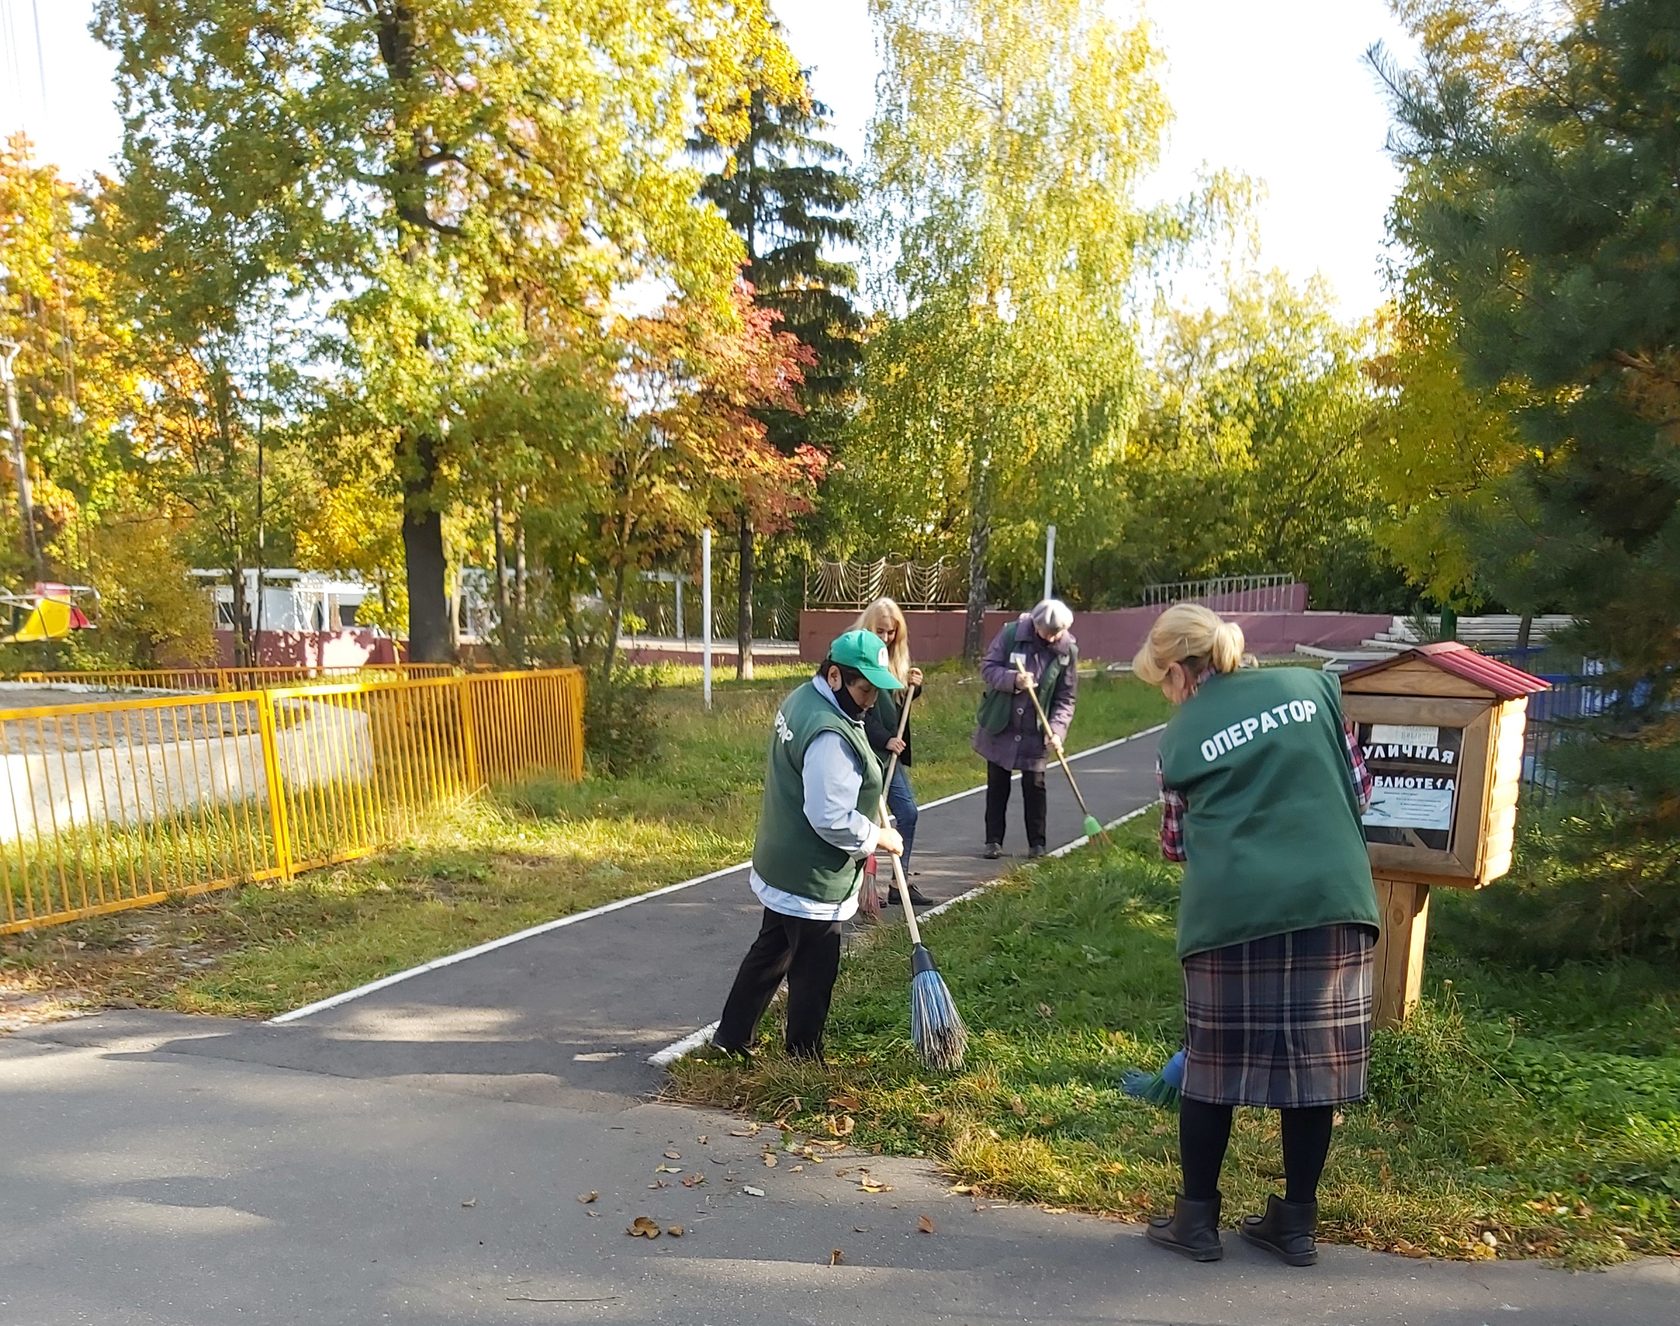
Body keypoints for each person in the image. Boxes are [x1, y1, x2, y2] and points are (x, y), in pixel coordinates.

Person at [1131, 604, 1379, 1267]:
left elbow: (1177, 842)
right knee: (1314, 1072)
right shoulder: (1313, 689)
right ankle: (1295, 1225)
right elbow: (1361, 788)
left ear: (1182, 670)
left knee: (1212, 1072)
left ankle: (1197, 1221)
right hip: (1332, 901)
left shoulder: (1181, 738)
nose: (1167, 694)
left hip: (1235, 913)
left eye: (1163, 681)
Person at [705, 629, 907, 1062]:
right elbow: (829, 816)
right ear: (834, 676)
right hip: (811, 878)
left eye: (875, 691)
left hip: (782, 862)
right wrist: (878, 837)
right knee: (814, 973)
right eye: (863, 689)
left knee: (771, 951)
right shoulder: (829, 735)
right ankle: (802, 1058)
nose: (870, 700)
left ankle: (731, 1038)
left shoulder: (802, 699)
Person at [972, 598, 1077, 859]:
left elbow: (1066, 698)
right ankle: (993, 841)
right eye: (1048, 632)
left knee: (1035, 785)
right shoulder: (1011, 635)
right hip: (1002, 723)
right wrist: (1014, 680)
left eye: (1058, 633)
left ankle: (1037, 845)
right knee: (997, 783)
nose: (1052, 638)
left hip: (1035, 729)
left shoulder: (1066, 651)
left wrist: (1056, 730)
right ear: (1036, 623)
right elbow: (988, 668)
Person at [855, 598, 929, 908]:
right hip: (864, 750)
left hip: (890, 755)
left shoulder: (895, 658)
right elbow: (859, 709)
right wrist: (884, 739)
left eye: (891, 632)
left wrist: (914, 687)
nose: (885, 638)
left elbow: (898, 707)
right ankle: (859, 885)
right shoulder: (858, 656)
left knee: (907, 813)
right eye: (881, 631)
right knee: (865, 818)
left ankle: (899, 882)